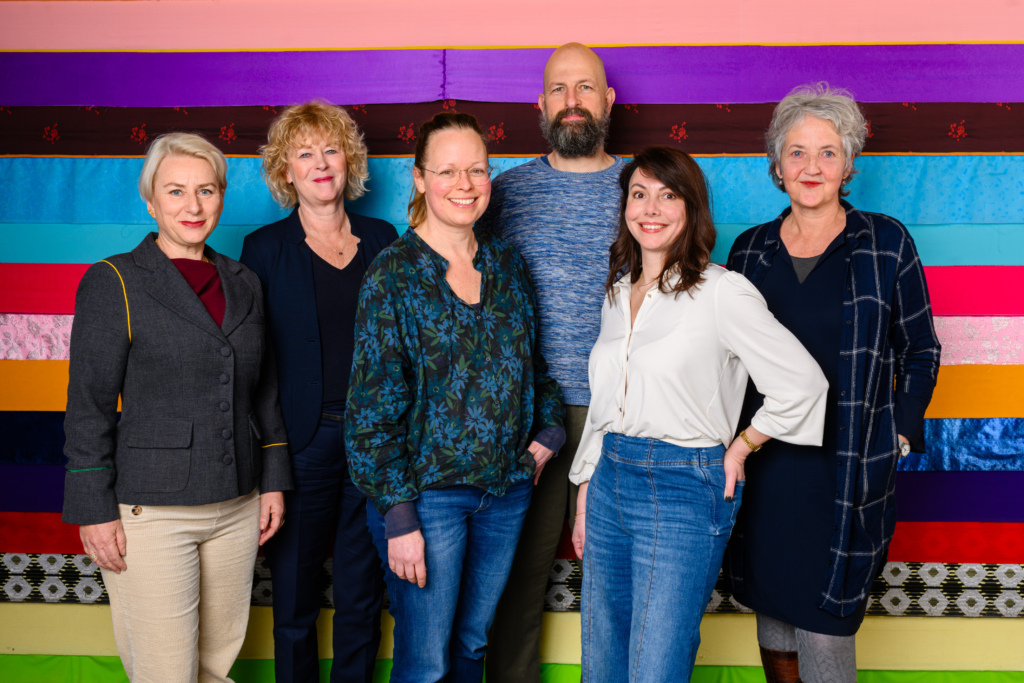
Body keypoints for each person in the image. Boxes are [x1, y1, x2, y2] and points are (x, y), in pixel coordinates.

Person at [569, 146, 829, 683]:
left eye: (669, 195)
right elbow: (605, 404)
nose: (651, 208)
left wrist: (743, 445)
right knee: (602, 663)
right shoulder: (617, 293)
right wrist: (585, 487)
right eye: (639, 194)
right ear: (624, 208)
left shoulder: (721, 292)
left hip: (684, 486)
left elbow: (803, 382)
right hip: (609, 480)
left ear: (691, 208)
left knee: (654, 667)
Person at [725, 83, 941, 683]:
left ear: (848, 164)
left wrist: (897, 431)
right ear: (776, 165)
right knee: (773, 622)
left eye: (827, 152)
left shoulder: (886, 243)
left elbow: (920, 348)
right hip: (767, 466)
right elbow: (726, 361)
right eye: (796, 152)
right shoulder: (749, 252)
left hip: (848, 469)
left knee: (827, 630)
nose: (811, 166)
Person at [62, 132, 292, 683]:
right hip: (151, 512)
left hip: (238, 505)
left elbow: (264, 390)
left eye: (206, 190)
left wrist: (274, 479)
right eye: (175, 191)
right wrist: (93, 508)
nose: (192, 206)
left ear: (221, 197)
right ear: (151, 201)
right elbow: (88, 404)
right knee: (167, 671)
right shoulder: (113, 280)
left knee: (213, 665)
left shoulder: (245, 282)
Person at [345, 112, 565, 683]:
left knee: (471, 647)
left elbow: (531, 368)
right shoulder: (392, 274)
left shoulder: (507, 263)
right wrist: (398, 516)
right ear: (419, 179)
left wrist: (548, 433)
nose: (464, 184)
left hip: (506, 492)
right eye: (447, 171)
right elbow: (370, 414)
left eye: (476, 170)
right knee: (425, 663)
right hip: (427, 500)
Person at [475, 43, 625, 682]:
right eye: (560, 89)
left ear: (608, 101)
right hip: (528, 415)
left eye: (585, 88)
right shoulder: (503, 192)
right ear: (540, 105)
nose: (572, 101)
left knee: (623, 579)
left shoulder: (645, 185)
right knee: (512, 581)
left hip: (624, 409)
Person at [240, 101, 396, 683]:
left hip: (374, 445)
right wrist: (269, 468)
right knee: (295, 603)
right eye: (304, 154)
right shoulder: (263, 250)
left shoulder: (384, 239)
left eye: (331, 149)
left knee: (361, 599)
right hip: (298, 448)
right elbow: (254, 369)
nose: (320, 163)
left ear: (349, 160)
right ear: (286, 171)